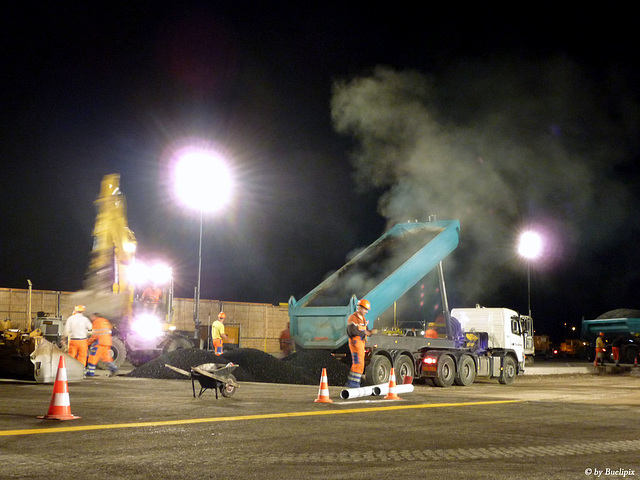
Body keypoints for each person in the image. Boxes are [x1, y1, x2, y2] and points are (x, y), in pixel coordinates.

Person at [345, 298, 377, 388]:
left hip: (361, 343)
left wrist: (370, 332)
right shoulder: (353, 318)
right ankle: (353, 383)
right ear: (360, 308)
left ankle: (354, 382)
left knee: (361, 364)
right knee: (357, 363)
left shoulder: (363, 319)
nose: (366, 311)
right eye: (365, 309)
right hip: (355, 343)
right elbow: (351, 331)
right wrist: (364, 333)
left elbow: (365, 331)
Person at [86, 313, 118, 377]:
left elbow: (95, 335)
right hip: (107, 342)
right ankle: (114, 369)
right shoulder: (105, 321)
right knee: (107, 358)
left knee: (93, 357)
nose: (91, 318)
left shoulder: (96, 322)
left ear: (95, 316)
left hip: (99, 342)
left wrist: (87, 342)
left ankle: (90, 372)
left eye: (92, 317)